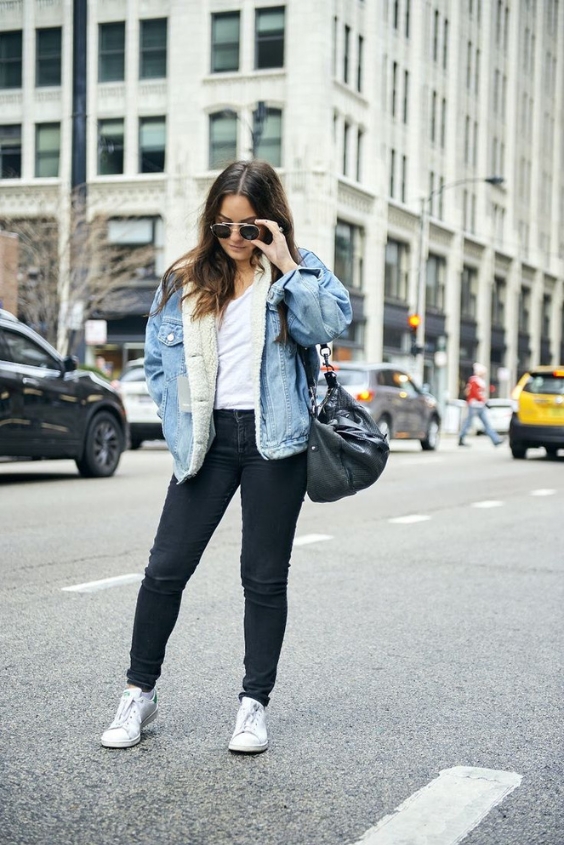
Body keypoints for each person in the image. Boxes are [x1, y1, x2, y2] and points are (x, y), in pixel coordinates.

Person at [101, 160, 352, 753]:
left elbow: (328, 324)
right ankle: (140, 693)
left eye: (249, 227)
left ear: (273, 222)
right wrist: (178, 424)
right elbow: (160, 366)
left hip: (275, 443)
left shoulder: (301, 270)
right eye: (223, 227)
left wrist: (287, 264)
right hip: (208, 443)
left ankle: (253, 704)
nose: (235, 239)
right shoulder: (185, 280)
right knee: (164, 571)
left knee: (263, 580)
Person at [458, 362, 505, 447]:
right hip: (474, 405)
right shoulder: (474, 380)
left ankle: (495, 440)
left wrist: (483, 400)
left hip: (480, 405)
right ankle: (461, 438)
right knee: (468, 423)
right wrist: (483, 400)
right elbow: (474, 393)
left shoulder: (479, 381)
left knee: (486, 423)